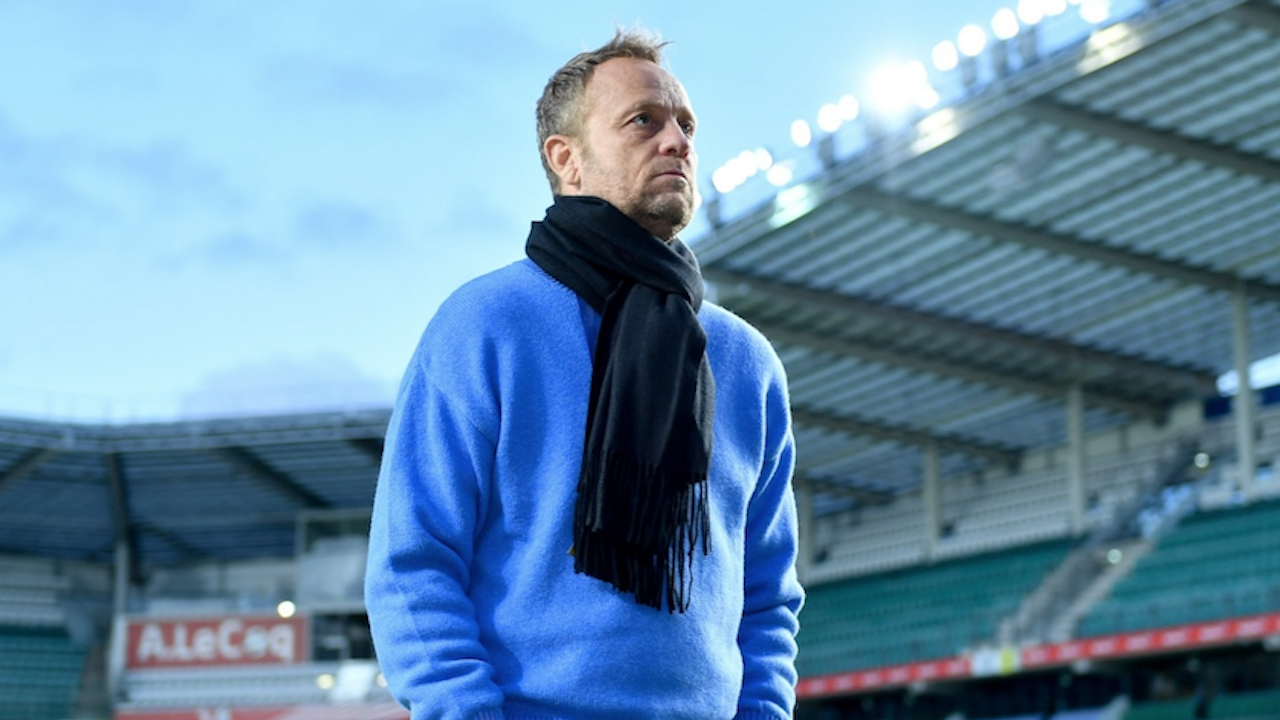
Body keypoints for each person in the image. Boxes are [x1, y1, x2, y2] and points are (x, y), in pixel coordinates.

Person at [365, 26, 804, 720]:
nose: (677, 142)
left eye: (687, 125)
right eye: (643, 121)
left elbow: (769, 594)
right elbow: (412, 564)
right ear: (566, 159)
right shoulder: (485, 326)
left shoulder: (746, 362)